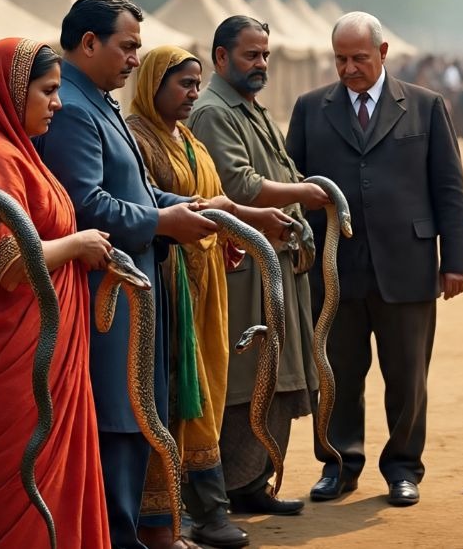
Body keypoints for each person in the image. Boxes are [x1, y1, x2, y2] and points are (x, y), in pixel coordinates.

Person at [34, 0, 218, 549]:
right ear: (88, 43)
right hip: (104, 294)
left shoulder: (100, 101)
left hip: (133, 285)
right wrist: (163, 222)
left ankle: (144, 531)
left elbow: (131, 190)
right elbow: (88, 205)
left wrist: (197, 208)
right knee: (118, 415)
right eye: (128, 46)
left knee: (140, 408)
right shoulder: (70, 106)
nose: (137, 58)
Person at [284, 11, 463, 507]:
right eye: (341, 59)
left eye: (359, 58)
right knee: (338, 376)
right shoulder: (309, 109)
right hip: (334, 268)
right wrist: (299, 253)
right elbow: (293, 190)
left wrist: (456, 260)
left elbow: (449, 189)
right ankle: (339, 465)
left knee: (408, 377)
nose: (349, 69)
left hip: (407, 266)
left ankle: (404, 467)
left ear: (383, 54)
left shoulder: (426, 107)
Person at [0, 39, 113, 548]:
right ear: (13, 90)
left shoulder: (16, 149)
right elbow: (8, 263)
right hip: (15, 359)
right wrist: (79, 244)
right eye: (48, 90)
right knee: (22, 483)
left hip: (42, 344)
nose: (57, 103)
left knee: (47, 480)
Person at [126, 45, 295, 549]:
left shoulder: (189, 139)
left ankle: (201, 506)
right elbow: (156, 208)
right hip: (172, 285)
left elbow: (211, 200)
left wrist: (233, 237)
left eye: (196, 85)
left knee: (209, 390)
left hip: (209, 287)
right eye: (182, 84)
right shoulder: (141, 139)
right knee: (183, 394)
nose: (192, 94)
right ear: (153, 85)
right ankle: (194, 510)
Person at [186, 16, 327, 517]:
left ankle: (254, 485)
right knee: (248, 381)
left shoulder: (249, 107)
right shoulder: (212, 112)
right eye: (251, 55)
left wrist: (297, 194)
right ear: (221, 58)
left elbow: (277, 172)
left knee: (279, 375)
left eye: (265, 55)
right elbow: (240, 186)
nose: (261, 64)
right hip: (245, 269)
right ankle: (226, 489)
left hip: (277, 264)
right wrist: (306, 192)